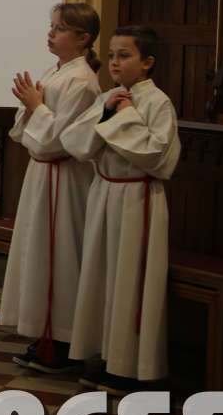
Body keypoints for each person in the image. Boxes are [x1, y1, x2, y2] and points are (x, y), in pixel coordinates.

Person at [62, 26, 182, 393]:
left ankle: (132, 366)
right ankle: (103, 354)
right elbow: (75, 143)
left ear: (147, 62)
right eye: (112, 55)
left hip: (137, 199)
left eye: (124, 55)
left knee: (131, 281)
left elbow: (158, 157)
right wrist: (105, 114)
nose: (114, 62)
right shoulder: (108, 96)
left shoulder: (158, 102)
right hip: (104, 192)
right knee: (101, 278)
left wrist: (123, 117)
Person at [0, 4, 103, 374]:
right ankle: (45, 333)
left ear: (83, 38)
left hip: (64, 178)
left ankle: (63, 341)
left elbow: (61, 138)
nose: (51, 33)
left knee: (60, 257)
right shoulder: (56, 71)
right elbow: (25, 130)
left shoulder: (83, 82)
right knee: (39, 253)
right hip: (42, 175)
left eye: (60, 28)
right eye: (52, 26)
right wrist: (30, 107)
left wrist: (36, 106)